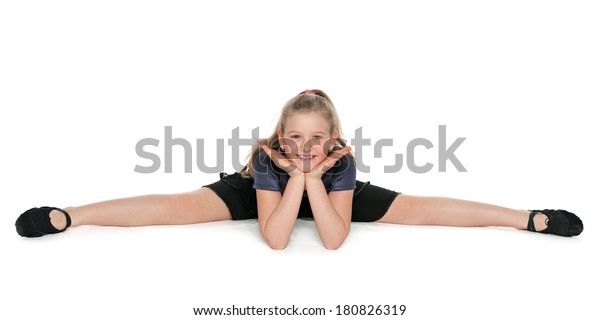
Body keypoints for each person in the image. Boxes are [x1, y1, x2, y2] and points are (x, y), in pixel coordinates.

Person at [15, 89, 584, 249]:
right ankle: (72, 215)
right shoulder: (266, 159)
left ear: (332, 140)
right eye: (296, 137)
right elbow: (278, 239)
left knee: (421, 209)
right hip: (266, 192)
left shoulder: (339, 164)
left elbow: (333, 241)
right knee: (177, 207)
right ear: (280, 136)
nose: (306, 145)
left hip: (330, 192)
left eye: (317, 139)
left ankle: (524, 217)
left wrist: (314, 176)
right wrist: (291, 176)